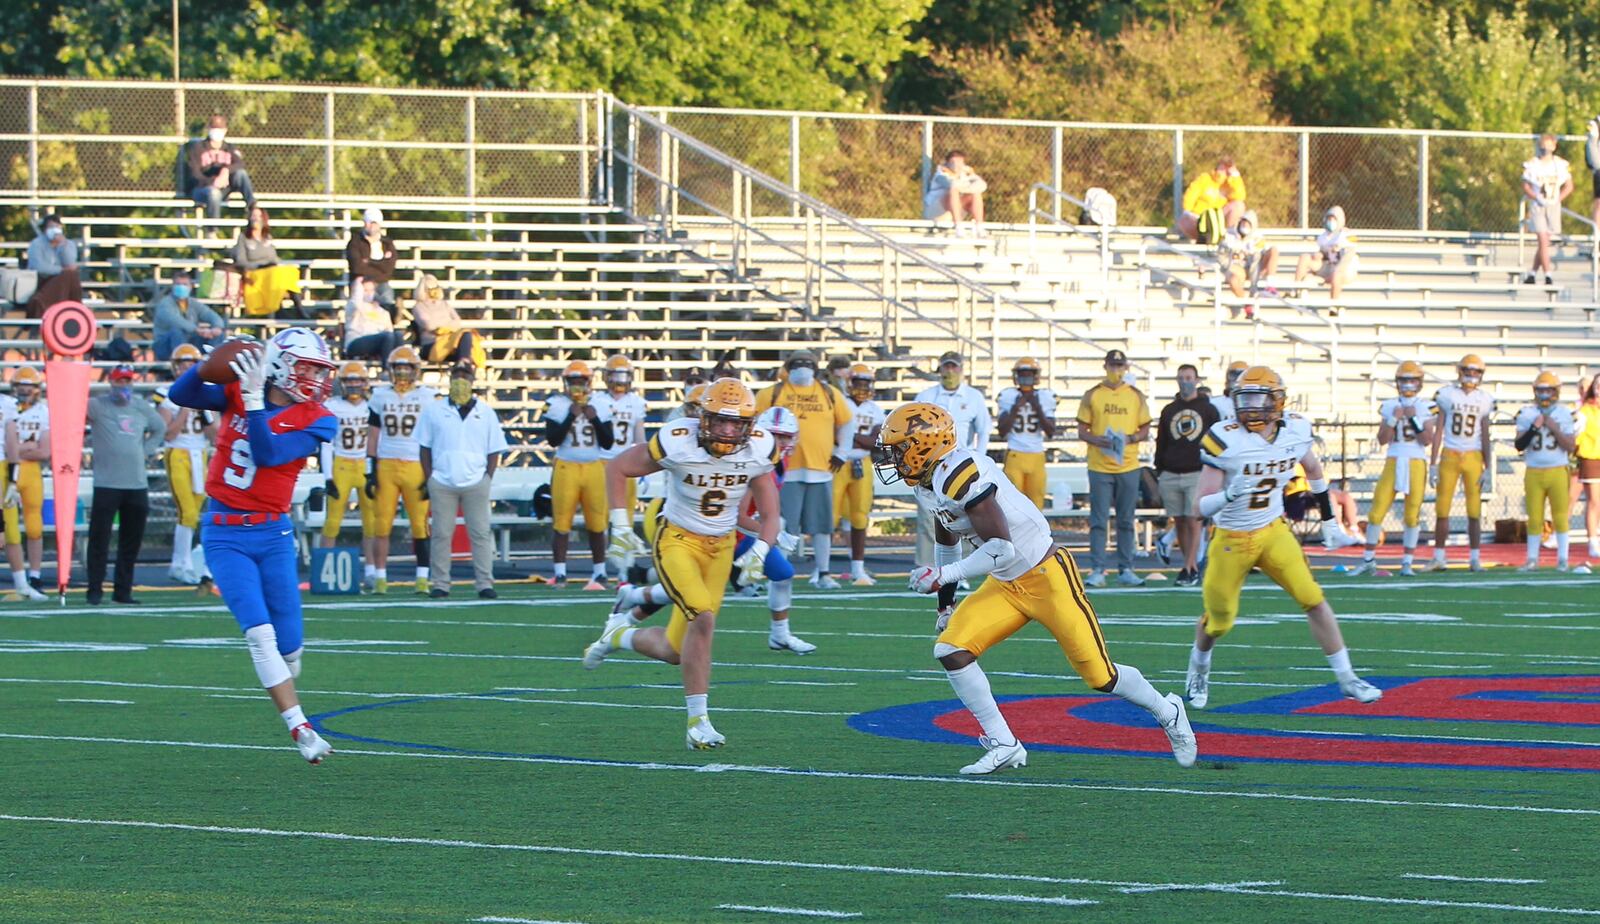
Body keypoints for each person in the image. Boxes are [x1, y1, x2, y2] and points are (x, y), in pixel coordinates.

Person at [881, 403, 1196, 774]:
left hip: (1046, 575)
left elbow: (1001, 548)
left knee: (1100, 676)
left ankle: (1167, 710)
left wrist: (945, 574)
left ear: (925, 445)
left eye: (900, 448)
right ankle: (1004, 743)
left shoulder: (960, 475)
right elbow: (948, 537)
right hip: (1004, 583)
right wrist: (944, 605)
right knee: (952, 649)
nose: (894, 459)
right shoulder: (928, 481)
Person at [169, 327, 339, 764]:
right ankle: (300, 729)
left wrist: (256, 400)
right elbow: (180, 392)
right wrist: (211, 362)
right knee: (259, 634)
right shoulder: (240, 392)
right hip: (224, 531)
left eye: (319, 370)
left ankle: (288, 689)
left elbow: (267, 454)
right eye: (307, 368)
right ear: (280, 364)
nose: (316, 379)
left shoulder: (320, 418)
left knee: (290, 648)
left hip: (274, 532)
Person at [583, 378, 780, 749]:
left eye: (736, 423)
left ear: (749, 426)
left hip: (721, 548)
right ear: (702, 418)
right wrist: (621, 525)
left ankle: (618, 635)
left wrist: (760, 550)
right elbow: (617, 468)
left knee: (676, 650)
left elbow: (770, 512)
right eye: (719, 420)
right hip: (677, 540)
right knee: (702, 616)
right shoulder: (678, 438)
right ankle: (698, 722)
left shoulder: (759, 450)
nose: (726, 430)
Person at [1187, 366, 1384, 709]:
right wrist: (1228, 496)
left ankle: (1347, 677)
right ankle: (1199, 667)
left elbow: (1315, 471)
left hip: (1273, 530)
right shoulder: (1225, 437)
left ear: (1277, 401)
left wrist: (1329, 521)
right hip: (1231, 536)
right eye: (1243, 398)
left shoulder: (1295, 429)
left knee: (1313, 598)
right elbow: (1199, 507)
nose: (1248, 406)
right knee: (1219, 620)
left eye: (1256, 398)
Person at [755, 349, 853, 589]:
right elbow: (754, 422)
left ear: (816, 367)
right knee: (782, 524)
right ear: (787, 367)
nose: (802, 367)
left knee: (822, 525)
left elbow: (848, 422)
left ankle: (823, 572)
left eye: (808, 363)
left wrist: (842, 452)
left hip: (821, 469)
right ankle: (778, 572)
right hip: (783, 470)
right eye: (797, 363)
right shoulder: (771, 393)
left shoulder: (829, 393)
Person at [418, 362, 508, 599]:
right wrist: (430, 477)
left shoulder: (485, 411)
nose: (461, 379)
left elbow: (494, 449)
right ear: (449, 378)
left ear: (473, 379)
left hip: (476, 479)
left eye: (465, 374)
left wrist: (487, 477)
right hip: (442, 480)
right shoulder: (434, 410)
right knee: (441, 533)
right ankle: (440, 583)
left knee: (480, 533)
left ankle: (484, 583)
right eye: (456, 374)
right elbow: (424, 447)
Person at [84, 364, 165, 605]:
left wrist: (146, 451)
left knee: (131, 541)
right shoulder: (98, 405)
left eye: (126, 381)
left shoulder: (140, 406)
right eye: (119, 381)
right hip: (107, 483)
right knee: (100, 539)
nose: (123, 386)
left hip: (136, 484)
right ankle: (94, 588)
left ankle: (123, 590)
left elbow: (159, 428)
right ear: (111, 382)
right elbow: (75, 411)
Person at [1351, 362, 1438, 577]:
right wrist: (1393, 419)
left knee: (1411, 515)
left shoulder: (1426, 406)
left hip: (1416, 462)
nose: (1408, 384)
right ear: (1397, 382)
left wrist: (1413, 419)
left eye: (1412, 380)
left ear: (1420, 382)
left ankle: (1407, 563)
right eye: (1404, 380)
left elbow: (1427, 440)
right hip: (1393, 459)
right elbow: (1382, 439)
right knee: (1376, 511)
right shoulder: (1390, 405)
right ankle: (1368, 560)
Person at [365, 345, 437, 594]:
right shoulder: (380, 396)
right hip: (386, 464)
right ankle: (381, 578)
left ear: (416, 370)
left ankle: (422, 578)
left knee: (420, 525)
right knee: (381, 524)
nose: (403, 372)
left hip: (416, 463)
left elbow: (434, 436)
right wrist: (369, 469)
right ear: (391, 370)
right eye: (399, 368)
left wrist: (432, 472)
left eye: (407, 368)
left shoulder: (429, 396)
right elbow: (373, 435)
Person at [1076, 349, 1152, 587]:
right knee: (1099, 519)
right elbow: (1082, 429)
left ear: (1125, 368)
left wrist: (1128, 439)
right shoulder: (1093, 394)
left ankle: (1126, 568)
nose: (1116, 370)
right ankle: (1098, 568)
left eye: (1120, 366)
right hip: (1100, 464)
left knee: (1126, 520)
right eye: (1112, 365)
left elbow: (1145, 429)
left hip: (1128, 464)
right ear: (1105, 366)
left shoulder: (1136, 396)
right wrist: (1097, 440)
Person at [913, 351, 990, 564]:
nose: (950, 371)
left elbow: (983, 429)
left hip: (960, 465)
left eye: (953, 367)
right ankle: (926, 566)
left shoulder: (973, 396)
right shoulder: (926, 396)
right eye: (946, 366)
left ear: (961, 369)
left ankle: (960, 568)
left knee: (961, 518)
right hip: (930, 466)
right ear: (940, 368)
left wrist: (978, 458)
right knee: (929, 519)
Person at [545, 360, 613, 589]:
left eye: (580, 382)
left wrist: (593, 418)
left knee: (597, 522)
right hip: (566, 466)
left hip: (594, 465)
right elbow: (552, 439)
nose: (575, 386)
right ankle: (560, 572)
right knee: (562, 522)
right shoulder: (556, 404)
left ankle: (600, 572)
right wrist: (571, 417)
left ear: (588, 383)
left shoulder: (601, 404)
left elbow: (608, 442)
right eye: (572, 382)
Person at [1426, 354, 1496, 572]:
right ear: (1460, 371)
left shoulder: (1484, 399)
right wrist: (1433, 462)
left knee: (1474, 509)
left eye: (1476, 372)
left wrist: (1488, 466)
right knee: (1442, 508)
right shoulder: (1447, 395)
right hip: (1450, 454)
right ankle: (1439, 556)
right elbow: (1439, 430)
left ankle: (1475, 558)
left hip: (1473, 455)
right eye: (1468, 370)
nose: (1472, 375)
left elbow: (1485, 434)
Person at [1154, 364, 1220, 587]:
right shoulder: (1169, 410)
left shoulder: (1208, 410)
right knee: (1180, 520)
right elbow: (1161, 441)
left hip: (1196, 471)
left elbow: (1216, 442)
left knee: (1194, 520)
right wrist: (1159, 468)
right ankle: (1188, 564)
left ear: (1197, 380)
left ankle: (1190, 565)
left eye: (1189, 377)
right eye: (1181, 377)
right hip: (1172, 470)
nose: (1185, 381)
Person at [157, 344, 217, 586]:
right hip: (178, 452)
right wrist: (185, 407)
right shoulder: (166, 392)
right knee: (187, 512)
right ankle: (180, 564)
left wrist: (205, 413)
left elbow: (215, 435)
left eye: (190, 364)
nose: (185, 368)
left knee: (195, 512)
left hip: (200, 454)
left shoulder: (206, 394)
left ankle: (183, 563)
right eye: (181, 364)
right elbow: (168, 433)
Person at [1514, 372, 1584, 572]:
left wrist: (1554, 428)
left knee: (1560, 516)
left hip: (1557, 470)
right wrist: (1535, 428)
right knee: (1534, 518)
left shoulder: (1564, 414)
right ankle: (1532, 559)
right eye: (1541, 390)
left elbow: (1571, 447)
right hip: (1534, 470)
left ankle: (1563, 559)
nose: (1544, 394)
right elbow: (1519, 445)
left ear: (1556, 391)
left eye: (1548, 390)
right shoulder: (1526, 413)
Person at [319, 362, 378, 589]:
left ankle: (372, 572)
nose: (354, 385)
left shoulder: (373, 405)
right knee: (332, 520)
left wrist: (375, 471)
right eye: (349, 381)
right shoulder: (332, 406)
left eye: (357, 381)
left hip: (365, 464)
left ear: (365, 383)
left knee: (371, 522)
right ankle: (325, 572)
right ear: (342, 384)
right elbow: (326, 444)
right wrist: (327, 477)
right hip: (342, 464)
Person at [835, 363, 885, 585]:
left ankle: (858, 569)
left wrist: (848, 435)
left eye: (866, 383)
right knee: (829, 517)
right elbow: (832, 435)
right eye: (858, 383)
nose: (862, 387)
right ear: (849, 383)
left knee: (860, 516)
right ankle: (822, 570)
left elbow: (875, 441)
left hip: (861, 462)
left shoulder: (874, 408)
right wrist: (857, 438)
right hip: (838, 461)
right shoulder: (840, 403)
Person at [3, 368, 50, 599]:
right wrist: (27, 448)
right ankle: (21, 581)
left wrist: (17, 451)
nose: (24, 390)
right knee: (9, 530)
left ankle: (34, 576)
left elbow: (45, 451)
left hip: (26, 472)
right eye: (20, 386)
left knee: (33, 527)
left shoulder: (43, 412)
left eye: (28, 386)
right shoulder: (7, 405)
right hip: (7, 469)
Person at [996, 357, 1058, 511]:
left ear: (1036, 376)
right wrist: (1016, 409)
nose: (1026, 378)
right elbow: (1002, 431)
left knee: (1036, 504)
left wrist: (1037, 407)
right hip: (1015, 455)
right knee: (1011, 503)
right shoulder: (1008, 397)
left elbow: (1050, 432)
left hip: (1037, 455)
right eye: (1022, 374)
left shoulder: (1045, 397)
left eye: (1029, 374)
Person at [226, 205, 302, 317]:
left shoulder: (267, 237)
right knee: (276, 274)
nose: (255, 219)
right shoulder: (243, 238)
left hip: (271, 272)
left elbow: (273, 258)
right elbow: (241, 261)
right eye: (253, 216)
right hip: (254, 273)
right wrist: (260, 265)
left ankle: (298, 307)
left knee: (289, 272)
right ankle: (281, 309)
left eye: (258, 216)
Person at [1522, 133, 1573, 286]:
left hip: (1553, 207)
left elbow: (1569, 186)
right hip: (1538, 206)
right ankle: (1548, 275)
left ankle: (1532, 274)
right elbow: (1525, 185)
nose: (1546, 148)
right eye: (1544, 145)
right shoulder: (1533, 164)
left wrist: (1557, 199)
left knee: (1545, 242)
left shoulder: (1559, 165)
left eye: (1549, 145)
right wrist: (1536, 197)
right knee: (1543, 240)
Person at [184, 114, 256, 220]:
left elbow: (240, 164)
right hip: (202, 189)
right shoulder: (198, 148)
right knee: (214, 193)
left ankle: (252, 208)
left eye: (220, 128)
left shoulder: (229, 148)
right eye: (214, 127)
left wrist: (226, 170)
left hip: (224, 189)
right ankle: (212, 231)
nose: (217, 131)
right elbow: (194, 174)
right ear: (208, 129)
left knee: (241, 174)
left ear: (225, 130)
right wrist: (213, 182)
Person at [410, 274, 484, 368]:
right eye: (429, 288)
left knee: (467, 334)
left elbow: (457, 322)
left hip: (450, 341)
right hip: (432, 344)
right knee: (462, 340)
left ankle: (464, 363)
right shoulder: (418, 307)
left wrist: (443, 327)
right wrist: (448, 325)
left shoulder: (444, 304)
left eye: (435, 287)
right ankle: (464, 364)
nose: (433, 291)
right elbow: (429, 325)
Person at [151, 269, 226, 361]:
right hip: (165, 346)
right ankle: (183, 363)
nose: (181, 287)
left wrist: (217, 328)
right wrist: (197, 330)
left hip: (190, 341)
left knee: (218, 335)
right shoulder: (165, 304)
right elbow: (176, 321)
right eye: (178, 284)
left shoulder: (193, 303)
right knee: (177, 332)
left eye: (185, 284)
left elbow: (212, 315)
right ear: (173, 286)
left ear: (190, 287)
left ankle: (213, 363)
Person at [1295, 205, 1359, 311]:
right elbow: (1325, 256)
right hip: (1329, 266)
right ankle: (1296, 289)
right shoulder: (1323, 236)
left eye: (1334, 219)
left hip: (1345, 270)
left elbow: (1347, 257)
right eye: (1329, 219)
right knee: (1305, 258)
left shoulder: (1347, 234)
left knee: (1337, 275)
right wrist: (1320, 255)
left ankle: (1333, 306)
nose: (1331, 222)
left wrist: (1335, 272)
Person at [1218, 210, 1278, 318]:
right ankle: (1247, 304)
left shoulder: (1258, 238)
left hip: (1255, 267)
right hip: (1238, 266)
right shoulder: (1229, 236)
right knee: (1232, 278)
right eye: (1243, 223)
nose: (1245, 226)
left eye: (1248, 224)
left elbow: (1260, 253)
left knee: (1274, 250)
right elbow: (1221, 256)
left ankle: (1270, 285)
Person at [23, 213, 82, 318]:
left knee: (71, 275)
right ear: (45, 230)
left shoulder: (68, 244)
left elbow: (70, 264)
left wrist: (63, 247)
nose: (55, 230)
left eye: (57, 227)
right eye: (51, 227)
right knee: (70, 275)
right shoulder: (36, 244)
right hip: (41, 281)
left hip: (62, 283)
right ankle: (78, 311)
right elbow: (39, 267)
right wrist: (61, 270)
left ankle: (41, 303)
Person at [1178, 157, 1247, 244]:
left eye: (1227, 169)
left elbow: (1240, 197)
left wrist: (1235, 179)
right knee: (1184, 221)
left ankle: (1228, 236)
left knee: (1239, 205)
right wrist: (1187, 210)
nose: (1223, 172)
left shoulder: (1230, 183)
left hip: (1219, 219)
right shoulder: (1205, 179)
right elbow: (1191, 193)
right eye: (1222, 168)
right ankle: (1204, 238)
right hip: (1200, 217)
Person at [345, 208, 399, 313]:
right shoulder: (355, 242)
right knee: (360, 303)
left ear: (379, 224)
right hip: (361, 282)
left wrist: (368, 261)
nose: (370, 225)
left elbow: (389, 268)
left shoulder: (387, 243)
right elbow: (357, 267)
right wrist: (380, 265)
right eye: (367, 222)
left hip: (382, 282)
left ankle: (390, 317)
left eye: (373, 222)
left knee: (386, 298)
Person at [923, 150, 987, 237]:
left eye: (960, 162)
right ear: (947, 163)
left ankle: (979, 227)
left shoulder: (967, 173)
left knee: (975, 193)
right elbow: (950, 184)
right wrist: (966, 186)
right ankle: (958, 227)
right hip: (936, 213)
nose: (957, 165)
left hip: (954, 211)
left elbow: (982, 185)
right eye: (953, 162)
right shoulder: (941, 173)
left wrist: (970, 185)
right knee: (953, 190)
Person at [1575, 376, 1600, 567]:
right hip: (1591, 458)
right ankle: (1592, 540)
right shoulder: (1585, 411)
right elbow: (1575, 434)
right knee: (1594, 501)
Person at [343, 278, 398, 361]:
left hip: (378, 342)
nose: (368, 294)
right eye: (365, 290)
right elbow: (356, 302)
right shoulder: (353, 306)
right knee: (387, 336)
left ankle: (400, 366)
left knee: (398, 335)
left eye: (371, 290)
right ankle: (386, 370)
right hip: (356, 342)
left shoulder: (382, 312)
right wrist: (357, 285)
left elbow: (389, 330)